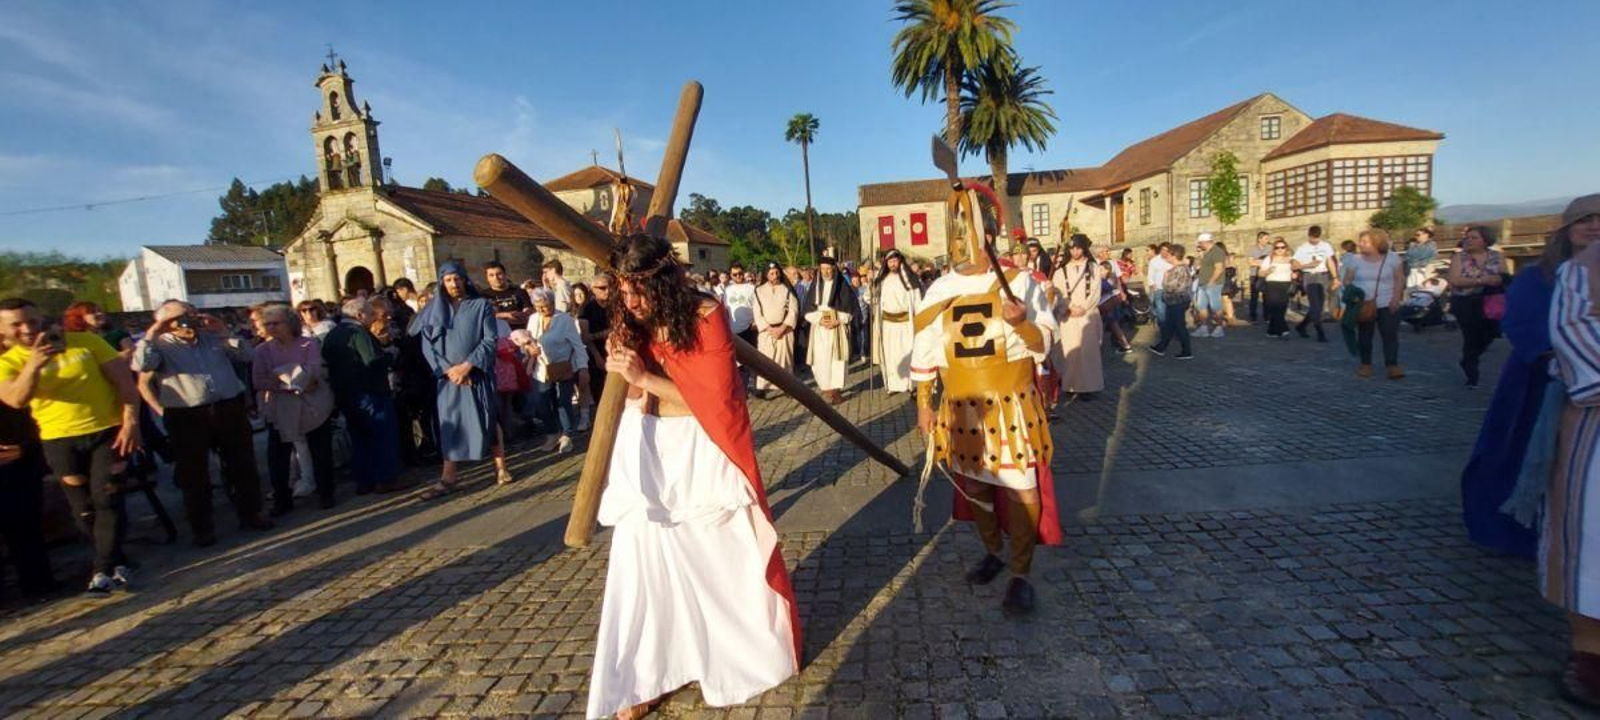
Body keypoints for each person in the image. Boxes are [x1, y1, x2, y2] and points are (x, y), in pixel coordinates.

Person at [587, 234, 800, 720]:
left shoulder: (706, 316)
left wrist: (641, 377)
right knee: (643, 566)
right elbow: (636, 392)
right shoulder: (631, 316)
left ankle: (734, 656)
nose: (631, 301)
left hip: (700, 454)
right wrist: (625, 371)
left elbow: (717, 406)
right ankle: (643, 674)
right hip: (646, 447)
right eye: (624, 290)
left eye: (639, 290)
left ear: (664, 281)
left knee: (714, 563)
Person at [911, 210, 1062, 616]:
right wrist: (924, 402)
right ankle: (993, 551)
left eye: (972, 237)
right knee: (975, 487)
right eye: (957, 238)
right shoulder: (941, 287)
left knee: (1022, 489)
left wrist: (1023, 324)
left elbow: (1043, 344)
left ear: (990, 239)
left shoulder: (1018, 283)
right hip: (961, 409)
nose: (963, 247)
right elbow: (926, 345)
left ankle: (1020, 573)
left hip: (1010, 407)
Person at [1463, 195, 1600, 562]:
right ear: (1568, 229)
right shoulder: (1539, 276)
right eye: (1585, 220)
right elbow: (1523, 324)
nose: (1594, 226)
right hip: (1542, 383)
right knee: (1518, 452)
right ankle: (1513, 528)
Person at [0, 299, 142, 596]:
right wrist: (35, 363)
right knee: (84, 509)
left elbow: (124, 383)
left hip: (106, 430)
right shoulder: (8, 362)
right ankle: (115, 559)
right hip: (58, 438)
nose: (27, 329)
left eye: (32, 321)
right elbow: (16, 399)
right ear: (4, 331)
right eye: (17, 324)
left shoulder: (86, 342)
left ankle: (102, 570)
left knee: (108, 496)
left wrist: (131, 422)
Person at [132, 300, 271, 546]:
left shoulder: (212, 338)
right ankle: (202, 528)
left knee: (242, 463)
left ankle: (251, 513)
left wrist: (223, 331)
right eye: (182, 316)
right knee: (194, 473)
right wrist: (154, 331)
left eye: (192, 313)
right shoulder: (160, 345)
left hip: (227, 407)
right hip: (186, 414)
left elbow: (247, 355)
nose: (190, 319)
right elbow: (141, 365)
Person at [1538, 217, 1600, 708]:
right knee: (1590, 531)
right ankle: (1590, 651)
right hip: (1595, 412)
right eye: (1586, 221)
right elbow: (1574, 330)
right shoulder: (1584, 271)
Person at [412, 262, 511, 499]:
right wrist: (449, 371)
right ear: (441, 283)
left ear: (464, 279)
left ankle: (501, 468)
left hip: (475, 374)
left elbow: (489, 340)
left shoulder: (481, 306)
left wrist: (467, 366)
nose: (453, 284)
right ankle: (448, 477)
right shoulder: (432, 310)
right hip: (448, 380)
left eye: (457, 279)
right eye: (448, 280)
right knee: (450, 425)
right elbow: (429, 346)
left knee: (488, 419)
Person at [251, 304, 337, 512]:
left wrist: (285, 374)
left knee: (320, 451)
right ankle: (282, 498)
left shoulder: (308, 344)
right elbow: (259, 380)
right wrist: (288, 381)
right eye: (267, 324)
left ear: (289, 323)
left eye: (276, 323)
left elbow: (314, 372)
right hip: (280, 407)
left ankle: (326, 493)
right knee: (278, 456)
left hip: (312, 404)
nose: (271, 327)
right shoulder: (262, 351)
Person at [323, 297, 403, 494]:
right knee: (381, 435)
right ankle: (385, 479)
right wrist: (390, 355)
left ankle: (364, 481)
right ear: (359, 315)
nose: (374, 316)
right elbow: (372, 360)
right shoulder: (359, 333)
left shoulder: (333, 334)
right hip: (371, 392)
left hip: (346, 394)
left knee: (359, 439)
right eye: (370, 313)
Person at [525, 288, 587, 454]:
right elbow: (527, 341)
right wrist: (529, 349)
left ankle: (567, 434)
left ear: (552, 303)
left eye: (545, 306)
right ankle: (553, 432)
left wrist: (583, 368)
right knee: (541, 403)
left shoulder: (564, 319)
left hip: (562, 367)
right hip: (540, 369)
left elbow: (578, 345)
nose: (542, 310)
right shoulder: (533, 319)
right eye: (538, 307)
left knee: (563, 402)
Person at [1341, 230, 1406, 379]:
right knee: (1365, 335)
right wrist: (1353, 293)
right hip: (1363, 304)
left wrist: (1396, 298)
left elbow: (1399, 279)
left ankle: (1392, 365)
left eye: (1365, 241)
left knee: (1389, 334)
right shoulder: (1355, 259)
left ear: (1376, 242)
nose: (1360, 244)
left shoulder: (1393, 258)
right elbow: (1347, 279)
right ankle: (1365, 364)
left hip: (1386, 301)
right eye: (1360, 241)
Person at [1448, 225, 1507, 388]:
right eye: (1468, 237)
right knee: (1471, 336)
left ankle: (1471, 356)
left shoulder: (1497, 256)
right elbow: (1454, 280)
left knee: (1490, 334)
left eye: (1474, 238)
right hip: (1466, 302)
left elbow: (1504, 276)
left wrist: (1498, 281)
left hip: (1490, 301)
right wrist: (1481, 281)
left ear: (1485, 240)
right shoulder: (1460, 258)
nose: (1469, 240)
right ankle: (1471, 370)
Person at [1052, 235, 1104, 396]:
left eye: (1078, 248)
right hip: (1068, 315)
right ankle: (1070, 385)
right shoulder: (1060, 271)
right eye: (1072, 248)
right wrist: (1067, 307)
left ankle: (1089, 386)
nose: (1075, 251)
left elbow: (1096, 291)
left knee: (1088, 352)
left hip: (1087, 314)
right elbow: (1056, 292)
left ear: (1084, 249)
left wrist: (1084, 307)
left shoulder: (1093, 268)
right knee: (1070, 351)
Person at [803, 257, 855, 404]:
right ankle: (827, 388)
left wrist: (838, 319)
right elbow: (807, 311)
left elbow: (851, 310)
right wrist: (819, 319)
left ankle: (836, 391)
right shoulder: (815, 286)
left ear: (834, 269)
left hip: (837, 329)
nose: (826, 272)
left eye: (828, 269)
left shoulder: (842, 286)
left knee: (837, 362)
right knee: (820, 361)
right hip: (819, 330)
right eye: (823, 269)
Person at [874, 250, 921, 395]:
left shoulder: (909, 279)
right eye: (890, 261)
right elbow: (870, 299)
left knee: (907, 354)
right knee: (889, 356)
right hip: (887, 325)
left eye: (895, 261)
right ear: (886, 263)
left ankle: (910, 385)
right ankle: (891, 385)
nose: (893, 264)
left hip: (905, 324)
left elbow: (917, 300)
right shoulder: (881, 280)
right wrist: (871, 287)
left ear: (900, 261)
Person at [752, 262, 798, 400]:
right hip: (767, 331)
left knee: (784, 360)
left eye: (777, 272)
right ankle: (762, 388)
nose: (775, 275)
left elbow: (793, 311)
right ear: (766, 274)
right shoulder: (759, 291)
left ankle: (788, 387)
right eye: (772, 273)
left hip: (785, 330)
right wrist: (769, 328)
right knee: (766, 361)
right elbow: (757, 312)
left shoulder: (787, 289)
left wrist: (783, 328)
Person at [1293, 225, 1339, 342]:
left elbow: (1330, 261)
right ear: (1309, 236)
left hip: (1323, 276)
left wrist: (1335, 277)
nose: (1315, 241)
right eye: (1313, 238)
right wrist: (1308, 265)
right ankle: (1320, 332)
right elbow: (1294, 264)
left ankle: (1302, 326)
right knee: (1316, 306)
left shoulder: (1325, 246)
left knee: (1319, 306)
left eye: (1317, 238)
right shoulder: (1302, 248)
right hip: (1310, 276)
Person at [1148, 244, 1194, 360]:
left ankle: (1186, 350)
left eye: (1168, 255)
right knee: (1170, 325)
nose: (1166, 257)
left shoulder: (1178, 269)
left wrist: (1165, 278)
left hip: (1177, 301)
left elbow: (1169, 287)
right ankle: (1161, 347)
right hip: (1176, 301)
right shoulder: (1182, 268)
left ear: (1174, 256)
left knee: (1179, 326)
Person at [577, 275, 613, 407]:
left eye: (610, 287)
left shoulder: (616, 305)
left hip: (615, 351)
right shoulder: (586, 309)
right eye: (602, 288)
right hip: (595, 352)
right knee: (599, 391)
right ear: (593, 289)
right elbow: (585, 337)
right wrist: (602, 334)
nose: (607, 291)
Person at [1193, 233, 1227, 338]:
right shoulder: (1207, 252)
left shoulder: (1217, 252)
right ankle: (1204, 328)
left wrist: (1212, 281)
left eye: (1200, 243)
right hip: (1203, 283)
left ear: (1205, 242)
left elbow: (1219, 268)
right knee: (1201, 306)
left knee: (1215, 306)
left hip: (1213, 284)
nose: (1199, 245)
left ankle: (1219, 327)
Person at [1260, 237, 1295, 338]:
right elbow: (1260, 273)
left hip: (1285, 285)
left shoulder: (1290, 259)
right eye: (1277, 247)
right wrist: (1267, 271)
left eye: (1282, 247)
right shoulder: (1269, 259)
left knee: (1282, 307)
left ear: (1286, 248)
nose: (1280, 250)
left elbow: (1296, 269)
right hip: (1272, 284)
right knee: (1275, 307)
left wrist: (1294, 274)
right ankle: (1283, 328)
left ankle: (1272, 331)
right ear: (1274, 249)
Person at [482, 260, 532, 329]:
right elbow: (483, 316)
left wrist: (523, 314)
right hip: (498, 333)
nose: (496, 278)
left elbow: (528, 309)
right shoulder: (483, 296)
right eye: (491, 275)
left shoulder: (520, 291)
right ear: (487, 278)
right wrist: (506, 315)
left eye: (499, 274)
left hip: (521, 331)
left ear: (505, 274)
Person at [1247, 231, 1271, 322]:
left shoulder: (1270, 248)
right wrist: (1263, 262)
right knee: (1254, 296)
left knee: (1267, 296)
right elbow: (1250, 262)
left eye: (1268, 238)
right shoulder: (1252, 249)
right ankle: (1253, 316)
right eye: (1265, 238)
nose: (1267, 240)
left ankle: (1267, 316)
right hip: (1254, 275)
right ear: (1259, 239)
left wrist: (1258, 262)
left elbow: (1271, 260)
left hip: (1266, 274)